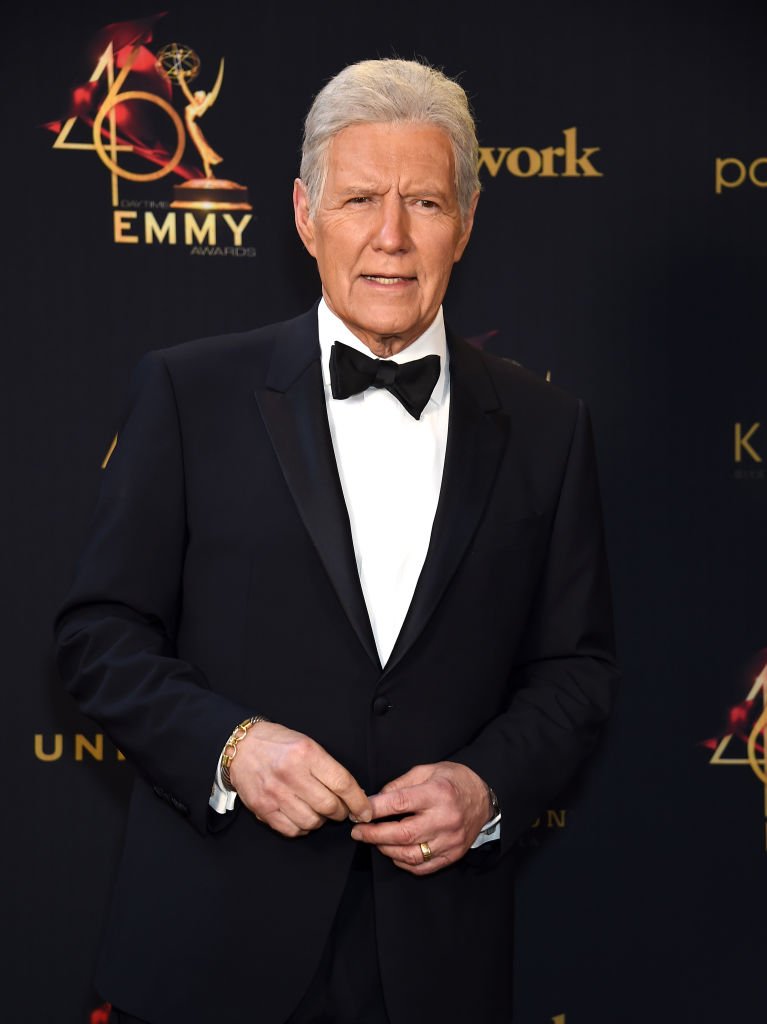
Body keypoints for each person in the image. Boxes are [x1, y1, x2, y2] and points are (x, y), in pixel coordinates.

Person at [54, 57, 619, 1024]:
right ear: (306, 215)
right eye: (359, 199)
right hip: (209, 952)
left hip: (438, 962)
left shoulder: (548, 427)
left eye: (424, 202)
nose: (390, 237)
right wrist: (230, 747)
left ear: (468, 221)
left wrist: (486, 786)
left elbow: (575, 669)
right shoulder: (188, 394)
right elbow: (99, 635)